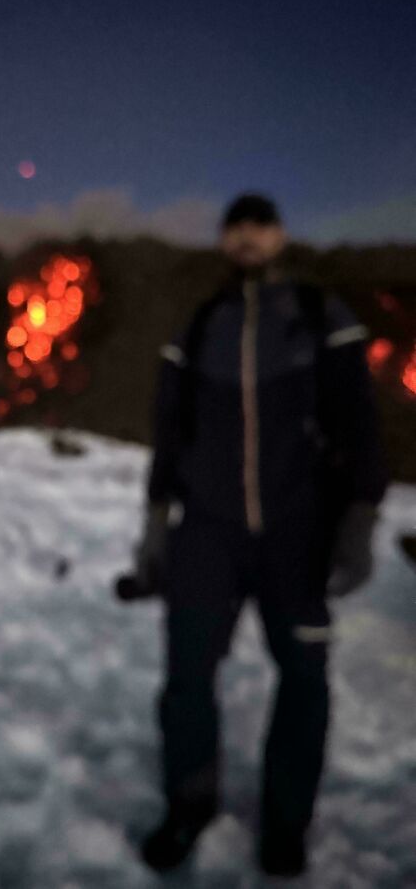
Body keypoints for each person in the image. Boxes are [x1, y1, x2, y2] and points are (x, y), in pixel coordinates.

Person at [134, 192, 390, 877]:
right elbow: (169, 431)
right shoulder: (198, 324)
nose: (247, 236)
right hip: (207, 534)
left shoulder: (318, 315)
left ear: (279, 236)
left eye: (260, 225)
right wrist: (156, 523)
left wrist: (359, 516)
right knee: (187, 677)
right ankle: (189, 805)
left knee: (305, 678)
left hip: (295, 531)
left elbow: (360, 423)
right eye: (236, 226)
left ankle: (285, 824)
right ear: (225, 240)